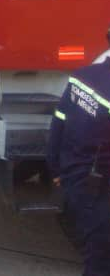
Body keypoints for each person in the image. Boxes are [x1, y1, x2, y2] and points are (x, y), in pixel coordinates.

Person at [47, 45, 110, 275]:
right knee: (101, 260)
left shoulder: (81, 76)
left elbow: (58, 124)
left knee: (95, 253)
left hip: (74, 179)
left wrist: (55, 171)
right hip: (99, 188)